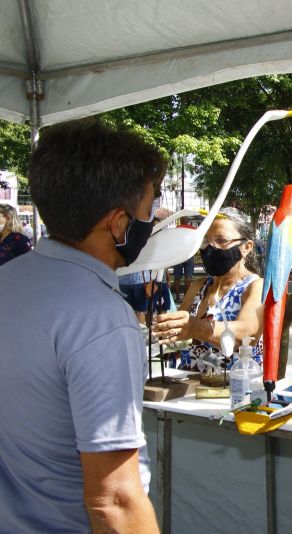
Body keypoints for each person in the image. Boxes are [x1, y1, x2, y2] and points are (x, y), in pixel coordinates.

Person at [0, 120, 164, 532]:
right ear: (119, 224)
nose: (153, 224)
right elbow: (115, 500)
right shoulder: (101, 318)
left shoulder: (9, 279)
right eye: (148, 212)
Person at [154, 207, 263, 372]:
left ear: (246, 247)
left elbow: (247, 334)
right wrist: (166, 334)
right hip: (189, 386)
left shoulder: (256, 286)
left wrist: (196, 328)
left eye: (220, 240)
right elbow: (180, 335)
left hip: (235, 388)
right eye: (205, 241)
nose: (210, 248)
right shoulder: (199, 286)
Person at [171, 216, 197, 301]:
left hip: (178, 255)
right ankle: (186, 297)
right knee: (188, 277)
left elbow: (173, 242)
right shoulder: (193, 229)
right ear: (188, 221)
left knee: (176, 277)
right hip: (189, 254)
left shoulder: (176, 229)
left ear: (180, 221)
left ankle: (178, 297)